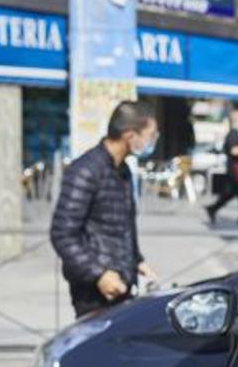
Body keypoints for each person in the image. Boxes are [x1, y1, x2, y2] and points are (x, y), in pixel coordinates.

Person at [50, 101, 158, 318]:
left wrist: (137, 261)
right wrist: (99, 275)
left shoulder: (123, 170)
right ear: (130, 135)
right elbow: (62, 234)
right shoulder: (86, 170)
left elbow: (122, 225)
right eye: (150, 135)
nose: (152, 141)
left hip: (121, 284)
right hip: (93, 290)